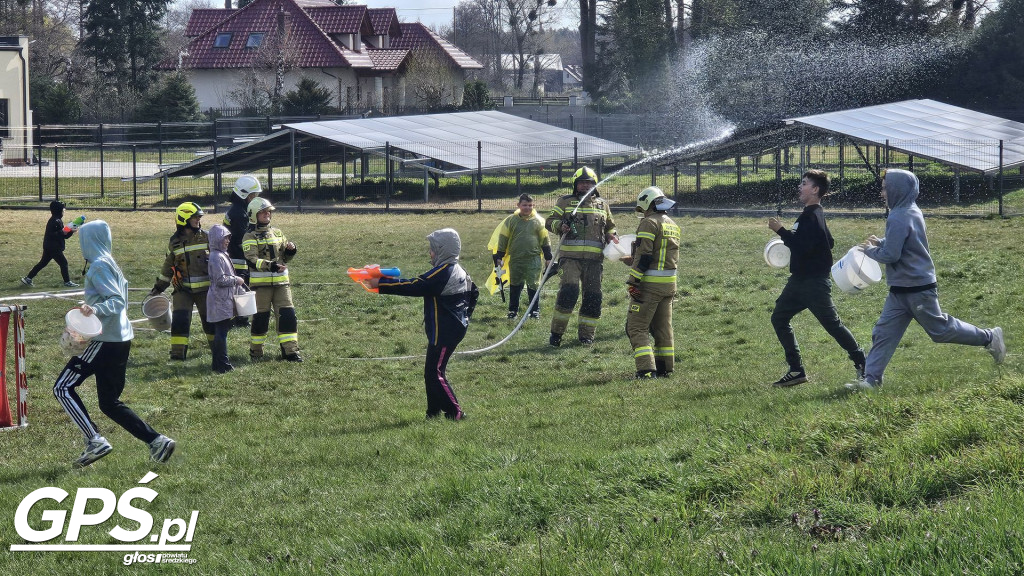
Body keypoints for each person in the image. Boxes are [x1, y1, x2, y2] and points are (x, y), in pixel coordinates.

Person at [846, 169, 1005, 390]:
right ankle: (871, 380)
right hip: (900, 289)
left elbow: (892, 255)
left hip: (917, 288)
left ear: (896, 189)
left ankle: (989, 337)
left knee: (940, 330)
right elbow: (904, 241)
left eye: (885, 188)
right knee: (883, 332)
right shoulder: (908, 210)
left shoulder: (899, 215)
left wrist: (869, 251)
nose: (882, 193)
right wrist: (881, 242)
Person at [52, 220, 175, 467]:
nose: (81, 246)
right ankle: (157, 441)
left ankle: (94, 440)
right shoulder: (110, 262)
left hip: (104, 340)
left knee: (62, 388)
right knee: (109, 403)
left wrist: (94, 308)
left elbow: (117, 301)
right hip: (120, 339)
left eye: (82, 241)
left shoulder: (98, 266)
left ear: (91, 241)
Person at [364, 229, 478, 420]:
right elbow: (474, 293)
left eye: (432, 249)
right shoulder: (455, 269)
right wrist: (465, 316)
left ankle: (456, 412)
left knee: (436, 373)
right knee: (430, 373)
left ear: (442, 250)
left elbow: (416, 286)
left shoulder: (444, 273)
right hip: (448, 330)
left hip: (446, 332)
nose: (430, 253)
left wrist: (380, 284)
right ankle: (432, 413)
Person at [767, 170, 866, 387]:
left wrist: (780, 231)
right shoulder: (812, 214)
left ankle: (863, 363)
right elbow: (828, 241)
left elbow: (802, 246)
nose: (800, 187)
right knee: (779, 318)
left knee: (833, 325)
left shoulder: (812, 216)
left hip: (813, 283)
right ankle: (796, 370)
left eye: (804, 184)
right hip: (799, 281)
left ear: (815, 189)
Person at [545, 166, 618, 346]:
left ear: (594, 184)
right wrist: (561, 226)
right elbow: (549, 221)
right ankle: (556, 334)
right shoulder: (565, 202)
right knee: (569, 292)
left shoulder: (602, 204)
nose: (585, 186)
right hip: (570, 259)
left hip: (594, 261)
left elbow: (610, 226)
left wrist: (611, 235)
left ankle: (586, 336)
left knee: (593, 297)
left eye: (589, 183)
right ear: (575, 185)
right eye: (582, 183)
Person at [623, 187, 680, 379]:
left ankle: (646, 370)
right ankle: (665, 368)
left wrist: (633, 282)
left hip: (650, 285)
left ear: (648, 203)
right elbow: (658, 256)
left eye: (644, 209)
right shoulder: (672, 224)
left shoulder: (649, 223)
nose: (643, 213)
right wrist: (634, 258)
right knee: (663, 328)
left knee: (636, 327)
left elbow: (646, 257)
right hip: (669, 285)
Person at [148, 202, 215, 360]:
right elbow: (167, 267)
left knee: (210, 321)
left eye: (199, 217)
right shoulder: (174, 242)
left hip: (206, 291)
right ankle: (178, 354)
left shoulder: (207, 238)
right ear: (184, 219)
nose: (198, 220)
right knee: (180, 320)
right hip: (182, 290)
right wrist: (158, 288)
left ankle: (217, 350)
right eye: (195, 217)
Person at [242, 198, 302, 362]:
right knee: (261, 318)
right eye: (263, 212)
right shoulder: (249, 235)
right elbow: (251, 260)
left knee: (288, 316)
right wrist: (271, 266)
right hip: (260, 287)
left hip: (282, 285)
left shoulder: (277, 232)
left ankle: (291, 351)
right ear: (254, 215)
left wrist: (291, 249)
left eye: (269, 211)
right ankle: (256, 352)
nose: (267, 214)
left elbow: (285, 258)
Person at [490, 193, 553, 319]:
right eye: (524, 205)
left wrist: (548, 257)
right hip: (516, 259)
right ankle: (513, 310)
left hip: (533, 258)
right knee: (515, 284)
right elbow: (503, 239)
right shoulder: (511, 221)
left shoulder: (538, 221)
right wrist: (499, 256)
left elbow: (545, 240)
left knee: (533, 284)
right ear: (518, 205)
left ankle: (534, 310)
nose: (527, 208)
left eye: (530, 205)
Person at [207, 224, 246, 374]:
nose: (228, 241)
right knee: (221, 332)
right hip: (219, 300)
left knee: (222, 331)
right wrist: (236, 280)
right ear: (217, 239)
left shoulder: (221, 255)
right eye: (225, 238)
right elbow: (220, 280)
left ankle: (217, 363)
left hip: (223, 299)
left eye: (228, 238)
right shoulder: (216, 257)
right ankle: (223, 364)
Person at [224, 175, 262, 327]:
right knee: (241, 287)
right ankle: (241, 319)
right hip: (238, 257)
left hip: (234, 255)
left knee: (240, 287)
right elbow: (242, 239)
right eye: (254, 195)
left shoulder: (238, 209)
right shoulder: (239, 214)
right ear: (244, 194)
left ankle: (240, 318)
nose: (255, 198)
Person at [21, 200, 79, 288]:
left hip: (49, 246)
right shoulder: (54, 221)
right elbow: (55, 234)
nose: (64, 211)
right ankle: (67, 282)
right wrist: (64, 231)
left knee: (43, 263)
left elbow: (63, 235)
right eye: (63, 209)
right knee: (64, 263)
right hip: (53, 247)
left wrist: (71, 231)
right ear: (59, 210)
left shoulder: (57, 220)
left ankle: (28, 278)